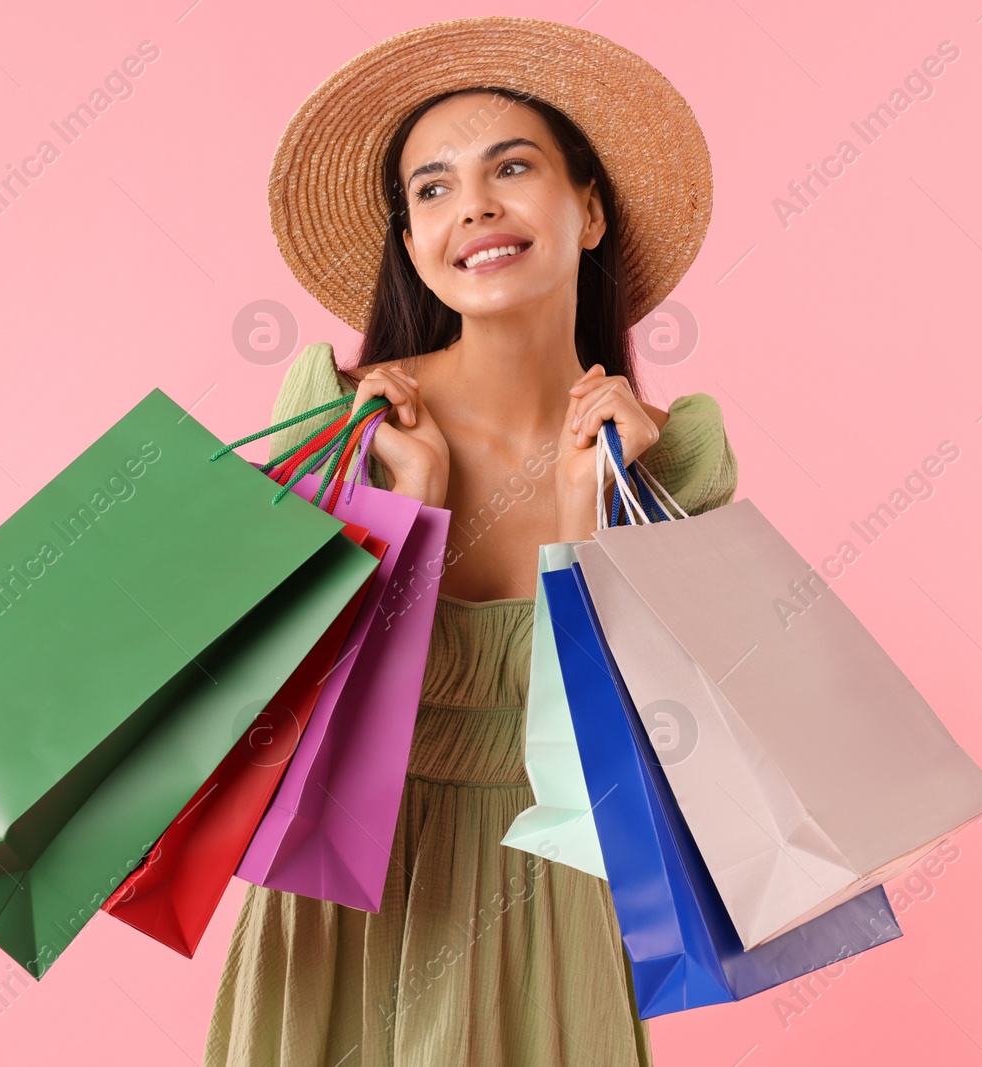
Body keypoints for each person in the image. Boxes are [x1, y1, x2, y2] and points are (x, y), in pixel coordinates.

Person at [205, 16, 736, 1066]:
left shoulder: (672, 462)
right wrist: (419, 507)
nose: (475, 206)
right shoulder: (336, 423)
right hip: (342, 902)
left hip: (567, 907)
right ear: (409, 243)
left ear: (588, 209)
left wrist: (601, 518)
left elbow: (657, 756)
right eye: (432, 188)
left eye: (512, 167)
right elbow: (280, 701)